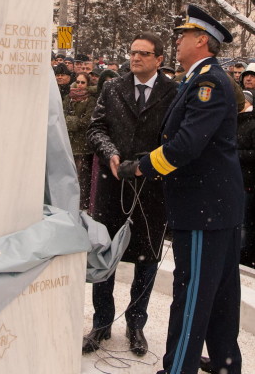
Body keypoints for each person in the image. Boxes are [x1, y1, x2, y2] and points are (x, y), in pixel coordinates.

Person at [133, 5, 244, 374]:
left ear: (201, 40)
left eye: (183, 35)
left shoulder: (207, 82)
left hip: (202, 209)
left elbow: (185, 146)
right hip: (215, 206)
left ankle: (178, 368)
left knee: (193, 293)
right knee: (222, 293)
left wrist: (142, 167)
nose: (177, 41)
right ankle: (226, 363)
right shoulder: (201, 79)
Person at [84, 32, 177, 356]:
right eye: (133, 51)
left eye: (143, 53)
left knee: (147, 260)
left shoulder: (174, 92)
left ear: (159, 59)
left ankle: (136, 324)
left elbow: (177, 139)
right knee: (103, 256)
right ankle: (101, 322)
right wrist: (109, 152)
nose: (135, 58)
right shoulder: (112, 88)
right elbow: (96, 128)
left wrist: (147, 165)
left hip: (152, 191)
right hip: (113, 188)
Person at [63, 72, 97, 211]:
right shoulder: (68, 97)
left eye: (83, 82)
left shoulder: (91, 100)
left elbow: (87, 121)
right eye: (78, 82)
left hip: (83, 146)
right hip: (69, 143)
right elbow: (62, 115)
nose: (80, 85)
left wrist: (72, 121)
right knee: (69, 176)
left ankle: (82, 206)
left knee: (83, 179)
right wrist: (73, 121)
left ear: (88, 84)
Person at [237, 91, 255, 269]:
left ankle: (243, 255)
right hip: (235, 179)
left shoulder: (252, 123)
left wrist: (236, 154)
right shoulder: (236, 121)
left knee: (244, 222)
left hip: (247, 180)